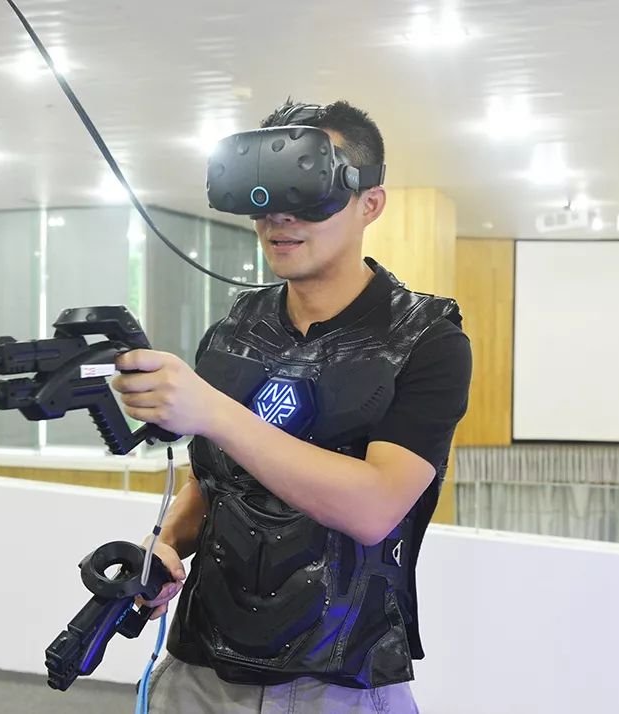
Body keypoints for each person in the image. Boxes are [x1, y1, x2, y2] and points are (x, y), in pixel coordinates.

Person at [111, 99, 472, 713]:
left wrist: (212, 411)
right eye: (268, 195)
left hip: (340, 684)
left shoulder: (427, 339)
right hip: (198, 671)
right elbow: (213, 484)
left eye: (307, 193)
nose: (279, 217)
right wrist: (165, 544)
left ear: (370, 203)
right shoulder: (234, 331)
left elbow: (374, 507)